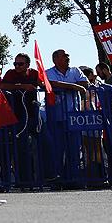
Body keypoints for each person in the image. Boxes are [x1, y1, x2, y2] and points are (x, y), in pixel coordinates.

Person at [45, 49, 89, 185]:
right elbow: (50, 84)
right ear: (55, 59)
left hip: (74, 117)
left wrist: (69, 87)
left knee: (74, 148)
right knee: (58, 149)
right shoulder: (49, 72)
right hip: (57, 117)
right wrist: (74, 86)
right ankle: (59, 178)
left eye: (67, 55)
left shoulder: (75, 70)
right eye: (64, 56)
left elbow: (85, 84)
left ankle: (74, 177)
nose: (67, 57)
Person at [0, 53, 41, 187]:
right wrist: (22, 86)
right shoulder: (11, 73)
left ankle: (44, 177)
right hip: (17, 116)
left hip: (34, 114)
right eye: (15, 63)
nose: (17, 66)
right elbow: (2, 86)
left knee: (41, 145)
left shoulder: (34, 73)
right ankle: (24, 180)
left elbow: (43, 84)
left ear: (28, 65)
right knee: (21, 148)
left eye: (20, 64)